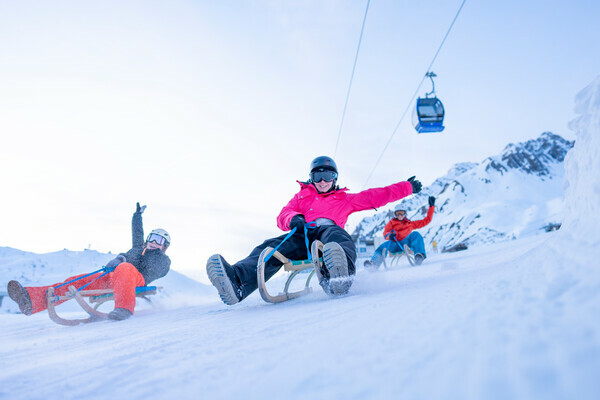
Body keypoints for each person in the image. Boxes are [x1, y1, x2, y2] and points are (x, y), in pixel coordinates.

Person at [206, 156, 423, 305]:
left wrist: (407, 187)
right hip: (303, 236)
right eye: (318, 176)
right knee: (271, 246)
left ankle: (340, 276)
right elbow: (283, 214)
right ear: (311, 177)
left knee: (338, 238)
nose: (322, 181)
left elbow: (376, 195)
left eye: (328, 176)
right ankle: (238, 283)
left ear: (334, 179)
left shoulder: (344, 199)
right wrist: (293, 220)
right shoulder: (302, 196)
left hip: (328, 235)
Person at [6, 203, 171, 321]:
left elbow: (153, 269)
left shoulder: (163, 259)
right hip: (115, 278)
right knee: (76, 282)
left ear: (164, 246)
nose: (154, 242)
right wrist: (137, 216)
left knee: (126, 268)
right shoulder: (138, 248)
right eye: (152, 237)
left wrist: (125, 261)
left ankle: (124, 309)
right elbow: (137, 233)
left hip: (137, 280)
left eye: (159, 240)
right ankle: (31, 300)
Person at [364, 196, 435, 268]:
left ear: (405, 214)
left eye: (401, 213)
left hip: (407, 244)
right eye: (397, 213)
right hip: (395, 244)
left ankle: (419, 256)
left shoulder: (409, 223)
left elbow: (426, 221)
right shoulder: (391, 223)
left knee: (416, 234)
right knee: (383, 246)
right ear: (395, 214)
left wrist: (431, 207)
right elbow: (385, 234)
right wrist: (390, 236)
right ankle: (374, 264)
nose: (400, 215)